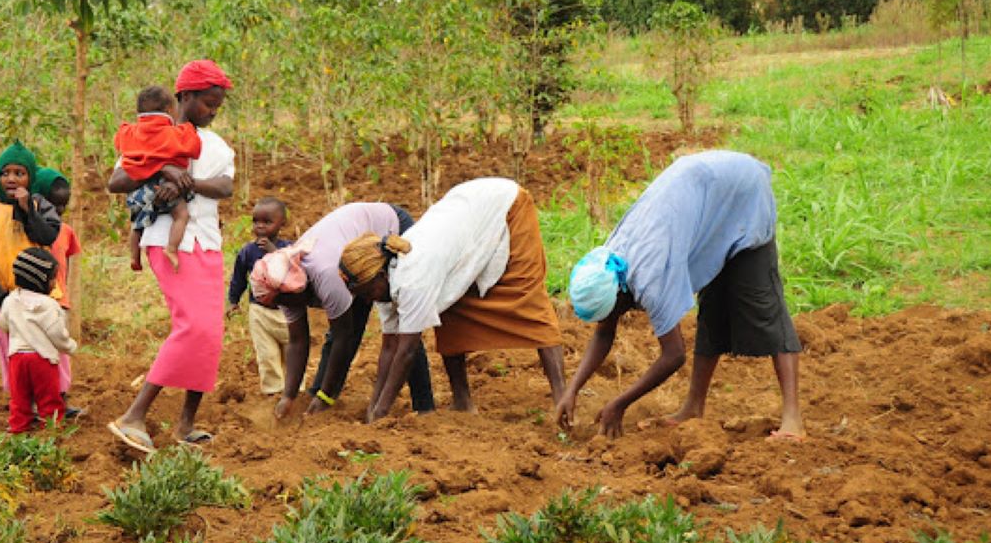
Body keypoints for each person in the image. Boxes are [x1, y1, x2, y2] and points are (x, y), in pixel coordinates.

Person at [555, 150, 805, 441]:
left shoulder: (651, 277)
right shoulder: (610, 266)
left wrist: (620, 403)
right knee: (712, 308)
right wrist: (570, 390)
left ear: (620, 297)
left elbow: (673, 355)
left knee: (765, 305)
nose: (606, 321)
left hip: (739, 191)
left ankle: (793, 419)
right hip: (702, 196)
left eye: (607, 313)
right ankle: (693, 407)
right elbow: (603, 334)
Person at [338, 178, 564, 422]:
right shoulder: (385, 281)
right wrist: (373, 407)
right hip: (465, 211)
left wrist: (382, 412)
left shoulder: (413, 278)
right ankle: (462, 402)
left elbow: (406, 351)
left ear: (380, 276)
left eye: (366, 292)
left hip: (503, 204)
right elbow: (390, 347)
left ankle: (563, 401)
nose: (368, 300)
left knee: (527, 299)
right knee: (451, 311)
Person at [105, 59, 234, 455]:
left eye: (218, 105)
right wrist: (162, 170)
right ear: (184, 97)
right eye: (207, 103)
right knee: (193, 327)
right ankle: (133, 416)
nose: (213, 111)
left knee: (210, 333)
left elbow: (226, 187)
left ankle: (186, 424)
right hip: (168, 241)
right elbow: (117, 181)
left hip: (207, 241)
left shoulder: (215, 145)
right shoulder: (149, 135)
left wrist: (189, 181)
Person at [250, 203, 435, 418]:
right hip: (348, 255)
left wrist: (325, 395)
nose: (279, 309)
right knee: (348, 326)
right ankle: (317, 397)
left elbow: (343, 337)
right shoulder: (283, 280)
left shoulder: (325, 275)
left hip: (387, 230)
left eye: (278, 303)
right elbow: (297, 341)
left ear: (291, 292)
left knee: (404, 323)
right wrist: (288, 397)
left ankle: (424, 406)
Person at [0, 141, 61, 395]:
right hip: (6, 296)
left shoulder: (40, 205)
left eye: (19, 174)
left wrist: (26, 210)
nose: (11, 179)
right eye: (5, 173)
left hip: (42, 296)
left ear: (30, 177)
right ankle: (20, 400)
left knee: (49, 347)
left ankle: (56, 395)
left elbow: (48, 236)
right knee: (12, 349)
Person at [114, 85, 203, 273]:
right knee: (181, 215)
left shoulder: (129, 132)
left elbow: (118, 142)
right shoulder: (173, 134)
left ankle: (134, 256)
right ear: (170, 110)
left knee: (137, 223)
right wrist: (187, 128)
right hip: (165, 185)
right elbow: (194, 147)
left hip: (139, 187)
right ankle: (171, 248)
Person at [0, 248, 78, 433]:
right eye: (52, 279)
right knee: (48, 398)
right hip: (42, 360)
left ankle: (18, 429)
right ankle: (51, 431)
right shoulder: (49, 305)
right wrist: (70, 347)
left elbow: (4, 325)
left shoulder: (10, 300)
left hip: (17, 358)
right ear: (40, 281)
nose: (54, 283)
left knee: (19, 398)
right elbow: (57, 334)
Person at [227, 197, 298, 395]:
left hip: (287, 313)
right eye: (256, 221)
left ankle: (295, 390)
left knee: (293, 351)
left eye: (267, 222)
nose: (260, 226)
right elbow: (239, 278)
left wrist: (274, 252)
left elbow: (295, 274)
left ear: (281, 223)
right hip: (259, 312)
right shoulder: (247, 252)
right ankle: (273, 391)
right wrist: (233, 301)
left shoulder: (289, 249)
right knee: (266, 355)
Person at [31, 167, 83, 418]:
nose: (59, 212)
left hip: (57, 300)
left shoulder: (66, 231)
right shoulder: (30, 228)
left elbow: (66, 266)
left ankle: (61, 399)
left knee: (59, 355)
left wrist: (64, 298)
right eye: (54, 204)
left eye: (64, 206)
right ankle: (36, 403)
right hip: (34, 302)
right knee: (36, 353)